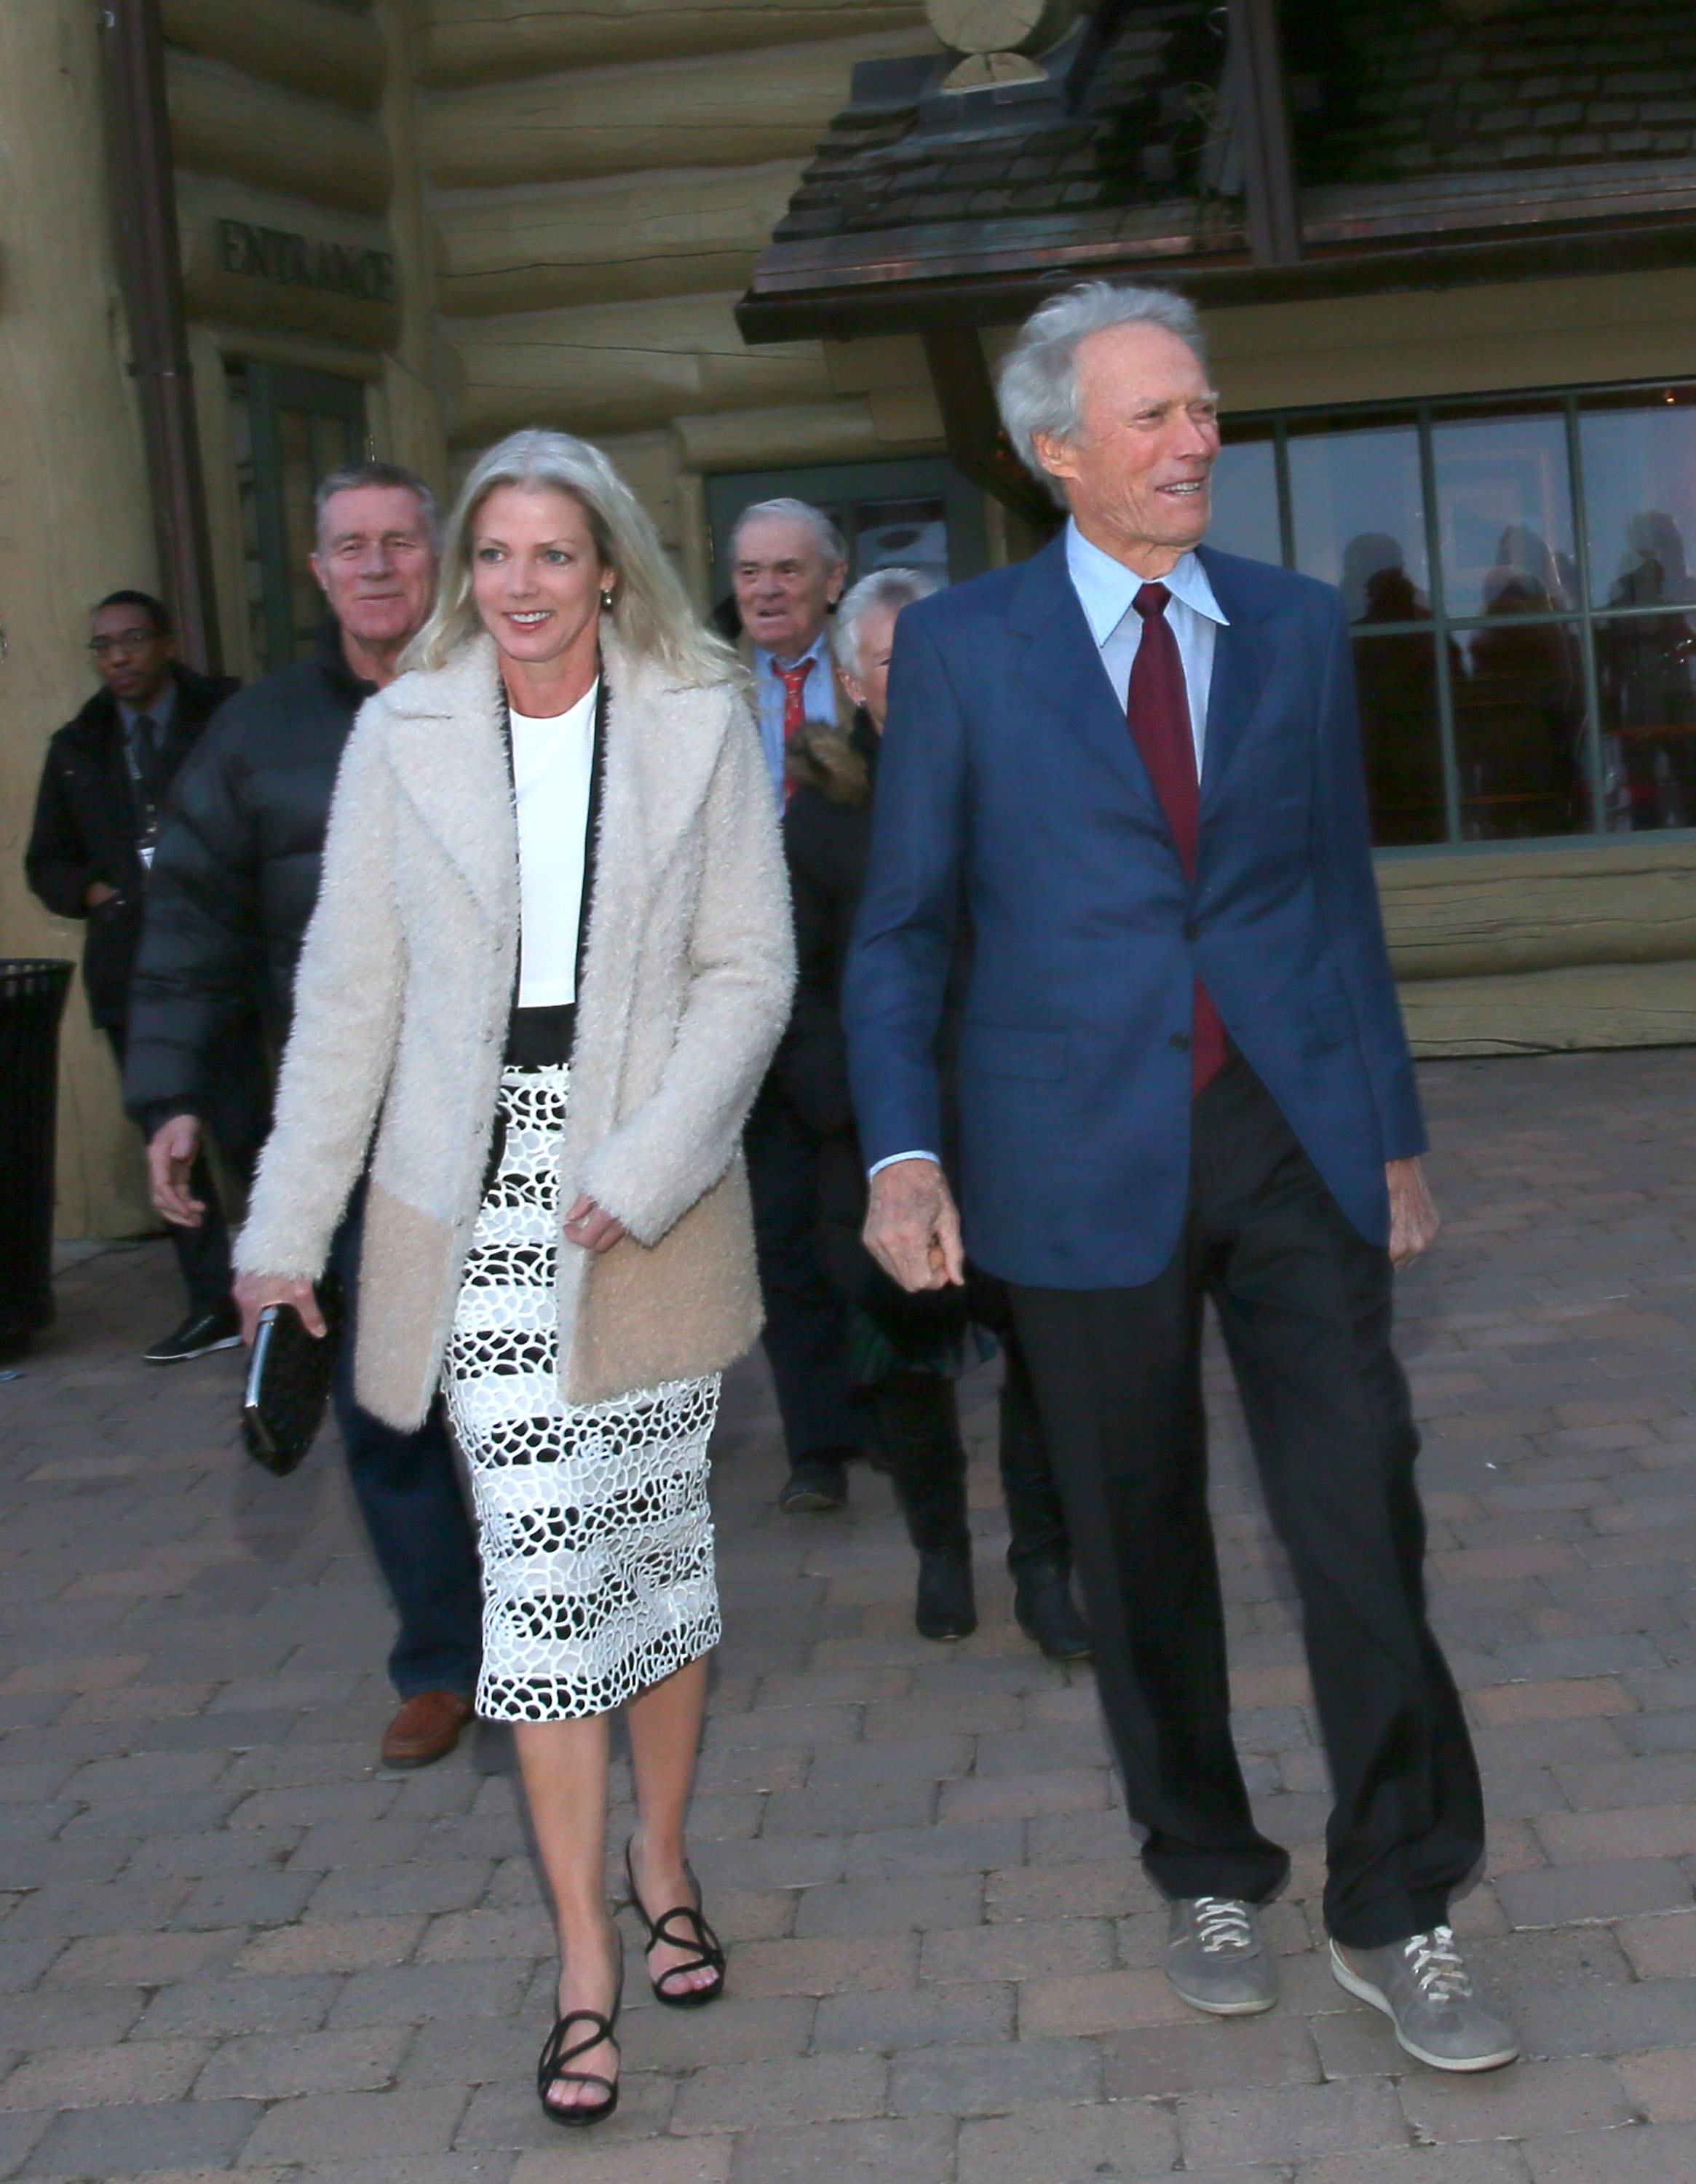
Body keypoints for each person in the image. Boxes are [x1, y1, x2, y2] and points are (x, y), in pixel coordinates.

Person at [844, 281, 1518, 2075]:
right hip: (1066, 1157)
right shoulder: (970, 650)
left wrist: (1384, 1129)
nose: (1193, 440)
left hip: (1285, 1135)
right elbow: (902, 928)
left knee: (1355, 1515)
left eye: (1201, 409)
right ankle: (1203, 1857)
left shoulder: (1293, 628)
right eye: (1150, 416)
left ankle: (1401, 1899)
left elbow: (1330, 903)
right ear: (1051, 449)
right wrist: (903, 1149)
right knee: (1133, 1541)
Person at [232, 430, 793, 2126]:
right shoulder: (401, 735)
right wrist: (278, 1231)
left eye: (555, 555)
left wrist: (644, 1164)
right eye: (497, 557)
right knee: (541, 1573)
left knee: (656, 1548)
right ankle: (580, 1962)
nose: (523, 586)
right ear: (463, 574)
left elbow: (747, 972)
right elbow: (347, 1004)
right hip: (462, 1195)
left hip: (648, 1178)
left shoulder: (697, 719)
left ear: (608, 566)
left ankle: (663, 1851)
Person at [124, 462, 486, 1775]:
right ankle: (444, 1664)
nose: (381, 566)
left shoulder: (518, 694)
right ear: (320, 573)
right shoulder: (259, 733)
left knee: (519, 1397)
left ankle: (555, 1640)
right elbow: (192, 933)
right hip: (342, 1131)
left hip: (512, 1118)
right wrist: (167, 1097)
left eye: (402, 542)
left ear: (438, 558)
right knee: (388, 1413)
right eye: (352, 547)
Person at [780, 566, 1089, 1658]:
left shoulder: (1033, 786)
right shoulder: (819, 823)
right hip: (879, 1140)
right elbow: (800, 992)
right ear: (858, 687)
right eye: (900, 669)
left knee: (1047, 1357)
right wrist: (860, 1119)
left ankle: (1046, 1566)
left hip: (1020, 1127)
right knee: (900, 1361)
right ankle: (941, 1548)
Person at [25, 591, 258, 1364]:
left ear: (166, 642)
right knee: (169, 1144)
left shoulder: (224, 713)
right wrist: (102, 894)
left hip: (228, 964)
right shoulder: (78, 745)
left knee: (249, 1134)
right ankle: (210, 1302)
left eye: (131, 641)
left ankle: (289, 1291)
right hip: (134, 969)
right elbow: (48, 861)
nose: (117, 658)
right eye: (102, 647)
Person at [729, 498, 865, 1513]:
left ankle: (890, 1409)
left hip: (852, 983)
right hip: (743, 991)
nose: (767, 590)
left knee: (860, 1209)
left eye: (787, 570)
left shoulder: (871, 681)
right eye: (749, 573)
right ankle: (816, 1446)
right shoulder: (699, 692)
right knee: (780, 1228)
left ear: (832, 579)